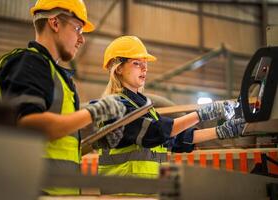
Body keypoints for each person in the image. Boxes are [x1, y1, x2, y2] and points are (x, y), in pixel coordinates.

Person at [0, 0, 126, 196]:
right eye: (78, 29)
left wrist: (98, 141)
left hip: (59, 192)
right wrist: (93, 111)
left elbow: (59, 146)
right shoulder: (29, 62)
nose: (81, 39)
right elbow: (29, 126)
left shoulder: (57, 76)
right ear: (55, 23)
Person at [97, 36, 245, 185]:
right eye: (136, 63)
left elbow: (176, 138)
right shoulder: (114, 106)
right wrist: (202, 114)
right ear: (118, 68)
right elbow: (154, 133)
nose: (145, 68)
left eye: (145, 63)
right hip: (122, 193)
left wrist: (221, 131)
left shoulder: (144, 108)